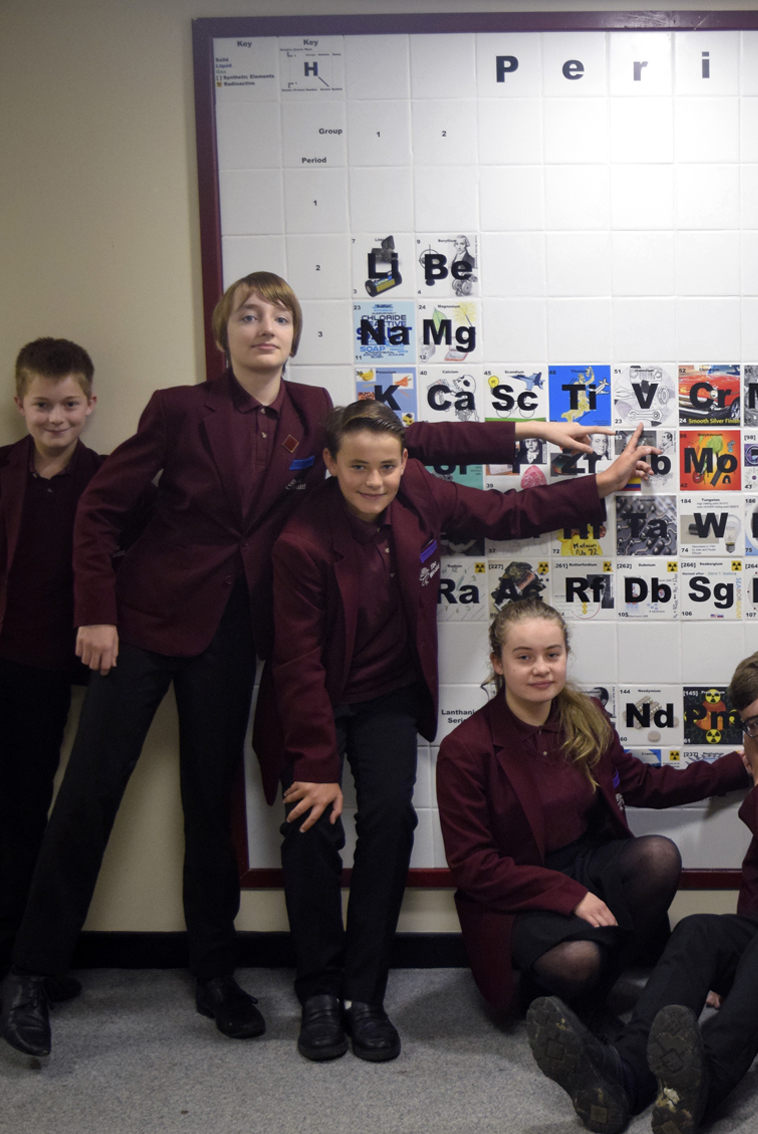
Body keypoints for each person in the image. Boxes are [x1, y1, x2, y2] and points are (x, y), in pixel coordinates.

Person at [0, 272, 600, 1061]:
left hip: (231, 636)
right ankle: (32, 974)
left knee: (209, 806)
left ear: (294, 331)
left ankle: (215, 975)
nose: (264, 328)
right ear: (226, 331)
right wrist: (98, 611)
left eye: (279, 316)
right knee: (89, 794)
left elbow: (414, 439)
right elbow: (101, 508)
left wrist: (531, 433)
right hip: (143, 623)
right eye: (248, 316)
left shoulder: (317, 413)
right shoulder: (180, 407)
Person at [259, 400, 649, 1063]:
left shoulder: (419, 491)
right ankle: (320, 992)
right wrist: (317, 766)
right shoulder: (301, 541)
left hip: (384, 695)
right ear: (329, 464)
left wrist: (597, 486)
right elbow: (297, 663)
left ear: (405, 462)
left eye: (386, 466)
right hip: (314, 698)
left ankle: (365, 994)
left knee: (390, 823)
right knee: (310, 827)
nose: (375, 481)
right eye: (358, 468)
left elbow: (506, 516)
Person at [525, 649, 758, 1134]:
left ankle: (701, 1082)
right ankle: (623, 1073)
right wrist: (736, 967)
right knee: (698, 930)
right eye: (755, 723)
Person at [434, 598, 747, 1045]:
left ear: (565, 656)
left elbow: (643, 784)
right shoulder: (466, 748)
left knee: (658, 856)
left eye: (552, 654)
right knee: (576, 960)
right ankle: (573, 997)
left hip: (587, 860)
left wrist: (736, 767)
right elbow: (472, 866)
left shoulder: (587, 717)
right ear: (497, 664)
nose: (541, 668)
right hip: (515, 889)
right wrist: (569, 895)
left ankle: (591, 991)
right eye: (524, 657)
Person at [0, 340, 106, 1001]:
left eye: (69, 404)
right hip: (8, 658)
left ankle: (29, 959)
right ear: (20, 404)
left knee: (43, 807)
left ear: (90, 405)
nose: (56, 417)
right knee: (12, 807)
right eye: (42, 404)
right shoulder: (4, 470)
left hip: (61, 664)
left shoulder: (105, 477)